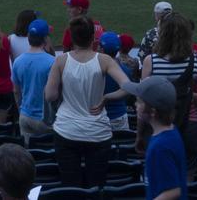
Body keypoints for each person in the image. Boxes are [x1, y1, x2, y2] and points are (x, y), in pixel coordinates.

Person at [48, 16, 134, 187]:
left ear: (72, 38)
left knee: (71, 186)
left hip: (67, 131)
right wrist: (106, 97)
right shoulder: (105, 60)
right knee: (96, 186)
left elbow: (50, 96)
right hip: (97, 132)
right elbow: (128, 86)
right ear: (93, 38)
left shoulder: (61, 60)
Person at [142, 12, 197, 162]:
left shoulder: (151, 61)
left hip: (158, 126)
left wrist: (139, 135)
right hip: (190, 123)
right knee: (188, 177)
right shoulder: (195, 60)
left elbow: (143, 105)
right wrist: (189, 95)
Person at [126, 77, 187, 200]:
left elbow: (173, 191)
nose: (135, 104)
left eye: (139, 101)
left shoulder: (160, 147)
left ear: (152, 111)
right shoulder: (170, 131)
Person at [12, 20, 56, 141]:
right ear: (45, 39)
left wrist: (21, 110)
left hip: (25, 116)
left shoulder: (18, 61)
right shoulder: (52, 62)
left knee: (29, 154)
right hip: (46, 120)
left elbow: (16, 91)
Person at [98, 32, 132, 131]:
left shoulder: (94, 71)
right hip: (119, 117)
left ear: (101, 49)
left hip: (99, 118)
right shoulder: (125, 71)